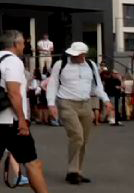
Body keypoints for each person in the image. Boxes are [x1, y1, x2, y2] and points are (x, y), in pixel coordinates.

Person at [0, 31, 76, 193]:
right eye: (23, 43)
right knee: (32, 162)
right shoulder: (13, 62)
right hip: (9, 121)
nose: (24, 46)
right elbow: (14, 93)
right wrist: (22, 119)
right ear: (16, 43)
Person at [46, 42, 108, 184]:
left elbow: (97, 86)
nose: (74, 57)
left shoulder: (91, 66)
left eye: (77, 55)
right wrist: (51, 104)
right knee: (77, 136)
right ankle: (72, 171)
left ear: (83, 55)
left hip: (86, 104)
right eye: (72, 54)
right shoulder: (60, 64)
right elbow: (53, 83)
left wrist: (106, 100)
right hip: (66, 103)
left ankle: (77, 171)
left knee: (84, 140)